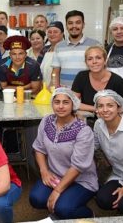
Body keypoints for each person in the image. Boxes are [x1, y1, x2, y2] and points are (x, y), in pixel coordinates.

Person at [29, 88, 98, 219]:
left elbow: (78, 166)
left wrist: (57, 190)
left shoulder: (83, 131)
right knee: (36, 199)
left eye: (66, 102)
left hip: (81, 180)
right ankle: (62, 205)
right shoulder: (46, 121)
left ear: (73, 105)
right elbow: (39, 148)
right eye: (57, 102)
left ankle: (88, 215)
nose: (60, 106)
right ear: (52, 104)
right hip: (56, 175)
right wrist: (44, 171)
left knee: (63, 209)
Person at [93, 90, 123, 215]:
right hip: (120, 175)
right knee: (103, 200)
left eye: (110, 105)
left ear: (119, 108)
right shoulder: (99, 125)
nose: (105, 110)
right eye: (100, 106)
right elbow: (92, 147)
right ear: (96, 110)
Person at [51, 10, 100, 88]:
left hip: (87, 92)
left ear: (83, 25)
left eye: (78, 22)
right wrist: (56, 90)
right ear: (66, 26)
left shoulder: (95, 45)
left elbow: (101, 70)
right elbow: (55, 71)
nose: (74, 26)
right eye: (70, 23)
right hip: (65, 94)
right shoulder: (59, 46)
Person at [72, 46, 123, 113]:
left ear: (105, 61)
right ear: (86, 63)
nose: (94, 61)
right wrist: (96, 109)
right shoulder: (81, 77)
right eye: (90, 59)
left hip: (110, 121)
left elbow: (120, 110)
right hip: (86, 119)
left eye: (98, 58)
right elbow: (73, 102)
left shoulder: (118, 82)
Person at [106, 16, 123, 118]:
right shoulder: (107, 49)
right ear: (111, 32)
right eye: (115, 29)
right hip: (110, 104)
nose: (119, 31)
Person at [40, 21, 64, 88]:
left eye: (55, 32)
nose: (52, 34)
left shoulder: (66, 49)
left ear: (62, 34)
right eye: (49, 32)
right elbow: (38, 71)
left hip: (59, 90)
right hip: (44, 89)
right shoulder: (44, 50)